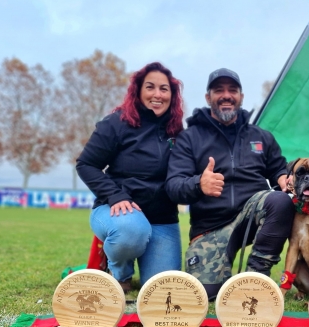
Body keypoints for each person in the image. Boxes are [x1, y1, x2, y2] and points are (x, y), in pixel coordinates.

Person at [165, 68, 294, 300]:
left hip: (252, 213)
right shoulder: (190, 138)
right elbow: (173, 187)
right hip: (210, 226)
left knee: (280, 200)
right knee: (205, 295)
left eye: (232, 90)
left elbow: (278, 168)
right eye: (219, 90)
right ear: (208, 98)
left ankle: (255, 276)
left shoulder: (261, 136)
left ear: (241, 97)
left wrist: (283, 177)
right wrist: (199, 184)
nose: (226, 95)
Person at [76, 62, 184, 293]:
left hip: (162, 219)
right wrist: (115, 195)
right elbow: (86, 164)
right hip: (118, 212)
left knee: (162, 287)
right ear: (138, 90)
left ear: (172, 95)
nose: (157, 94)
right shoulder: (116, 123)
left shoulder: (177, 130)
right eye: (150, 87)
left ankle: (142, 260)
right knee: (132, 231)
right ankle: (119, 271)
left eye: (164, 89)